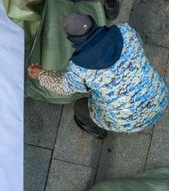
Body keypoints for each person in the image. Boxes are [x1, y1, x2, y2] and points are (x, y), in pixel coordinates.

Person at [28, 13, 168, 138]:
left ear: (72, 39)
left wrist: (41, 74)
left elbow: (64, 88)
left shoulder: (80, 69)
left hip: (129, 122)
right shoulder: (125, 31)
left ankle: (96, 130)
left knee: (80, 107)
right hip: (161, 97)